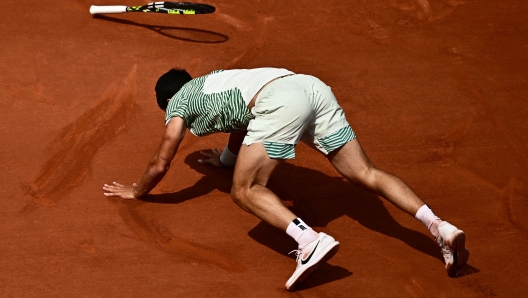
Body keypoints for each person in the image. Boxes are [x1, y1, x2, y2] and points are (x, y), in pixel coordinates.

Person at [103, 67, 469, 290]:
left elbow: (161, 160)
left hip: (279, 101)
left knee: (245, 190)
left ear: (166, 101)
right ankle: (439, 226)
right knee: (366, 173)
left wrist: (137, 191)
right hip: (311, 89)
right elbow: (243, 123)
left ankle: (309, 241)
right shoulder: (214, 81)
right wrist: (228, 158)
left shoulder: (178, 102)